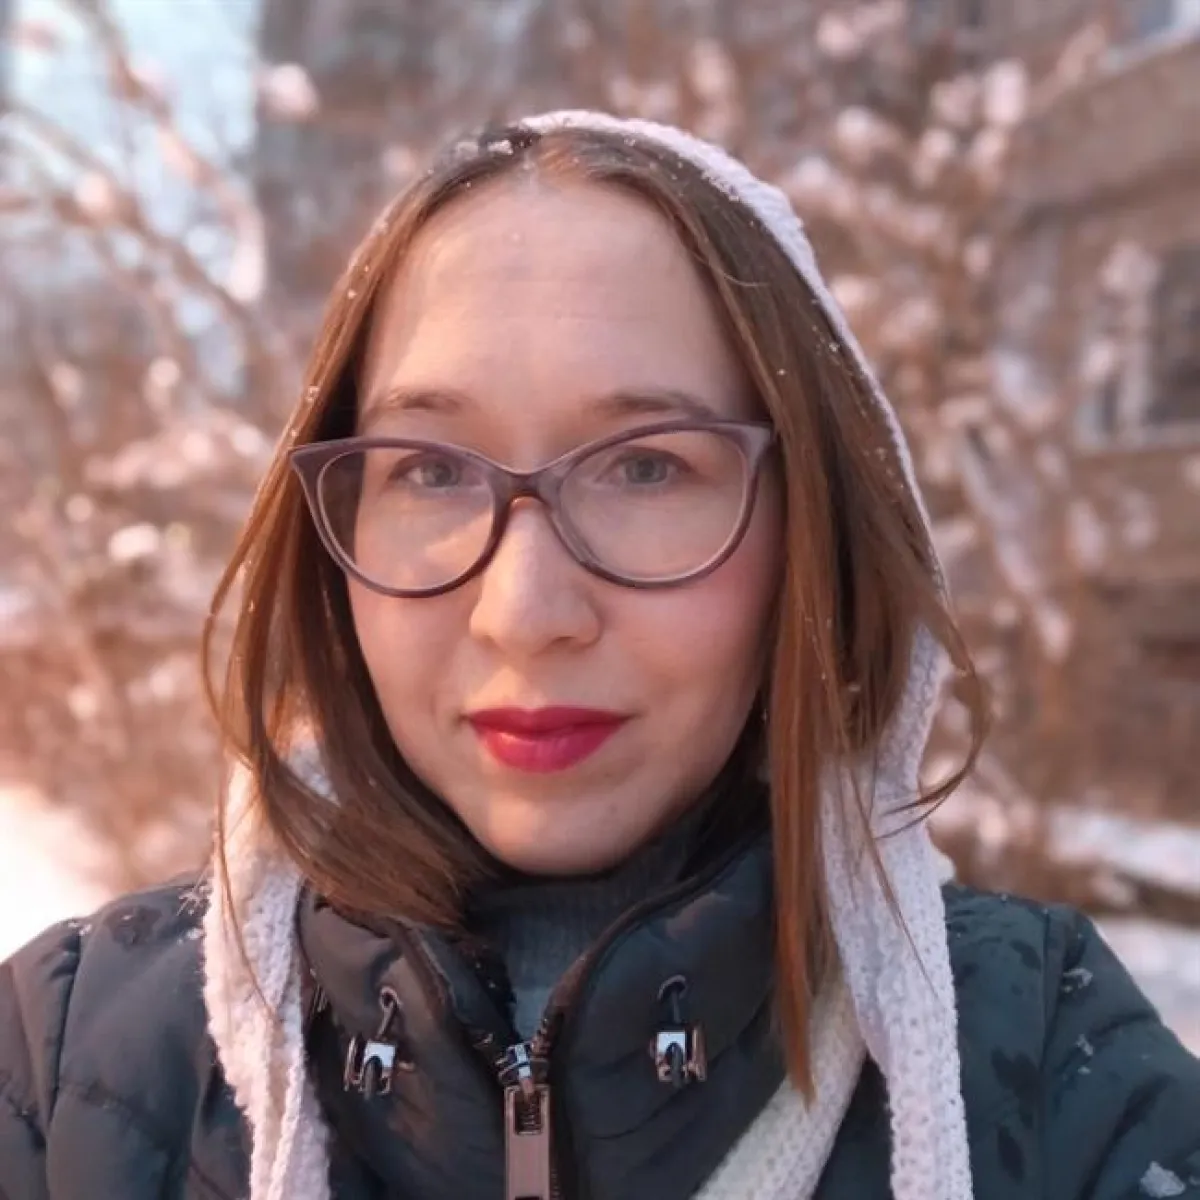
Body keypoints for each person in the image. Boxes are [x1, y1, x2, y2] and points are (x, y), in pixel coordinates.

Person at [1, 110, 1197, 1200]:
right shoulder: (65, 1068)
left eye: (646, 466)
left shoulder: (1051, 1065)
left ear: (811, 536)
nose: (525, 611)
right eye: (431, 469)